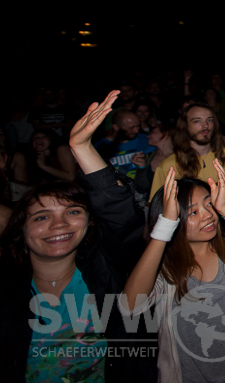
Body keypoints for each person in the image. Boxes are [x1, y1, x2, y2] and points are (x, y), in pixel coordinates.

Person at [0, 90, 147, 382]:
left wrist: (81, 148)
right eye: (42, 217)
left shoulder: (105, 272)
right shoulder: (7, 288)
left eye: (73, 212)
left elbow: (120, 217)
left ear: (89, 223)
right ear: (20, 229)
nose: (60, 224)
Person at [120, 156, 225, 382]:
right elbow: (130, 306)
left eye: (209, 204)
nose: (208, 215)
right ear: (172, 220)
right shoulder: (164, 268)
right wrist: (164, 229)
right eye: (193, 212)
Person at [148, 103, 225, 200]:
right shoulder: (168, 165)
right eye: (197, 121)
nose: (205, 125)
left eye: (209, 120)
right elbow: (156, 203)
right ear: (185, 126)